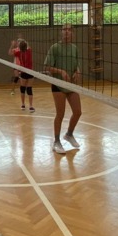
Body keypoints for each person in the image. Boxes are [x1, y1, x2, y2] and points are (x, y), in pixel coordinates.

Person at [44, 24, 82, 154]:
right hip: (58, 84)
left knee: (78, 112)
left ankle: (69, 134)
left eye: (69, 30)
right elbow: (47, 67)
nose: (67, 32)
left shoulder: (74, 48)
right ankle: (56, 141)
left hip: (71, 84)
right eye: (64, 29)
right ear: (61, 32)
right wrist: (61, 72)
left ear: (73, 33)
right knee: (60, 114)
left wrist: (77, 71)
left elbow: (77, 64)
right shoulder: (55, 47)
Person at [12, 39, 35, 111]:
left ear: (19, 47)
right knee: (29, 89)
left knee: (22, 89)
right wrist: (23, 41)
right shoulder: (29, 51)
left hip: (23, 72)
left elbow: (12, 52)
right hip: (30, 72)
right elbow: (28, 46)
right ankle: (31, 106)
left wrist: (13, 45)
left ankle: (23, 105)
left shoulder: (18, 53)